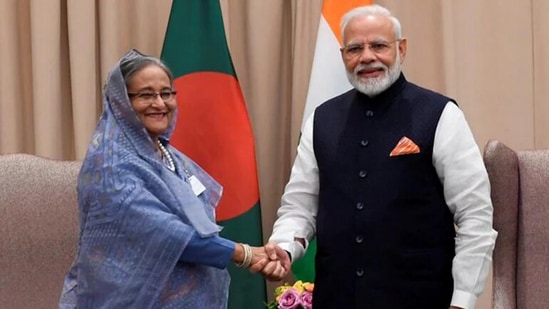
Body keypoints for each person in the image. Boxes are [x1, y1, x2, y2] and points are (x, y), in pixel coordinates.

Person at [265, 4, 497, 309]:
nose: (366, 57)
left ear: (401, 49)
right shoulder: (320, 120)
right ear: (343, 56)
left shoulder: (441, 115)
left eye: (378, 45)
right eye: (354, 48)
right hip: (337, 298)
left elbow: (475, 215)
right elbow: (298, 207)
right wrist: (284, 246)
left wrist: (463, 300)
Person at [59, 49, 289, 309]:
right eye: (146, 95)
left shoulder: (167, 153)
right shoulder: (110, 165)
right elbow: (168, 233)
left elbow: (198, 219)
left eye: (166, 93)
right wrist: (246, 254)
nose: (159, 103)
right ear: (121, 101)